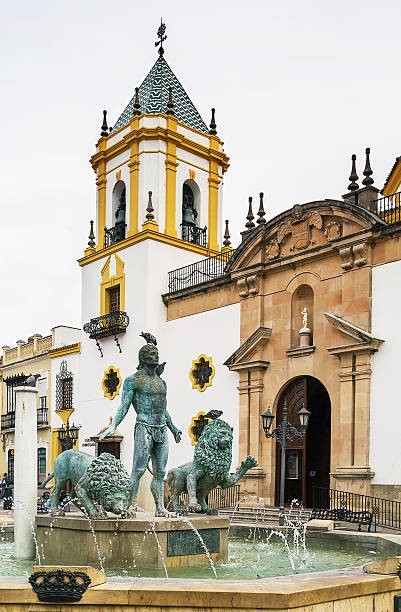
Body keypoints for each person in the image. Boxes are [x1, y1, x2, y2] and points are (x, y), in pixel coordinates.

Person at [100, 338, 182, 516]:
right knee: (138, 470)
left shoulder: (162, 383)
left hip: (161, 428)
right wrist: (114, 425)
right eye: (152, 354)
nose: (156, 356)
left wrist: (173, 428)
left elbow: (164, 409)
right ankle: (128, 506)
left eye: (157, 354)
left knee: (160, 472)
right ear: (143, 358)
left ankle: (160, 508)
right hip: (144, 426)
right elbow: (124, 406)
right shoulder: (133, 381)